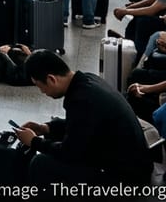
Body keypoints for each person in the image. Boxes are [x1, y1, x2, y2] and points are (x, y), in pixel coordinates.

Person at [15, 50, 151, 188]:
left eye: (40, 86)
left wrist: (34, 141)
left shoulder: (81, 100)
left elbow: (69, 153)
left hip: (124, 181)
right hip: (132, 164)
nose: (42, 92)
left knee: (41, 164)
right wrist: (45, 128)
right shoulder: (88, 80)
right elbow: (80, 126)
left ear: (51, 79)